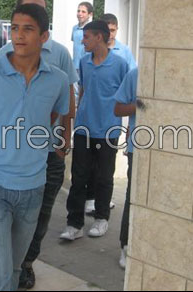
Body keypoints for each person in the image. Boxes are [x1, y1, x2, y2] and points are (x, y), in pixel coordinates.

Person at [0, 3, 70, 291]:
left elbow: (55, 115)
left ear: (44, 37)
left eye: (28, 29)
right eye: (15, 28)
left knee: (15, 270)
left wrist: (56, 142)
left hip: (33, 188)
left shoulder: (58, 80)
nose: (19, 35)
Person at [0, 0, 77, 290]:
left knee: (40, 213)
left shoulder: (61, 54)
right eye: (26, 12)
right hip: (10, 152)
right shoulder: (3, 55)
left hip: (49, 151)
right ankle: (5, 267)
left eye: (39, 11)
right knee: (6, 216)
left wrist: (65, 137)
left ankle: (26, 263)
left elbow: (68, 95)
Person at [61, 20, 129, 240]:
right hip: (84, 129)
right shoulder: (84, 62)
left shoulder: (120, 64)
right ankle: (74, 224)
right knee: (78, 177)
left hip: (108, 130)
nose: (83, 41)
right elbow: (84, 90)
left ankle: (101, 218)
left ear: (99, 37)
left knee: (104, 177)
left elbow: (126, 95)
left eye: (87, 36)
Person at [113, 67, 139, 269]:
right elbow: (119, 109)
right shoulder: (135, 74)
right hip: (137, 148)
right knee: (132, 197)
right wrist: (138, 106)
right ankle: (126, 245)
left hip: (166, 149)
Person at [71, 1, 93, 74]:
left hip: (87, 67)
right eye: (78, 11)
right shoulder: (74, 28)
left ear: (90, 14)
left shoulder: (92, 29)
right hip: (75, 67)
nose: (80, 14)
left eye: (83, 12)